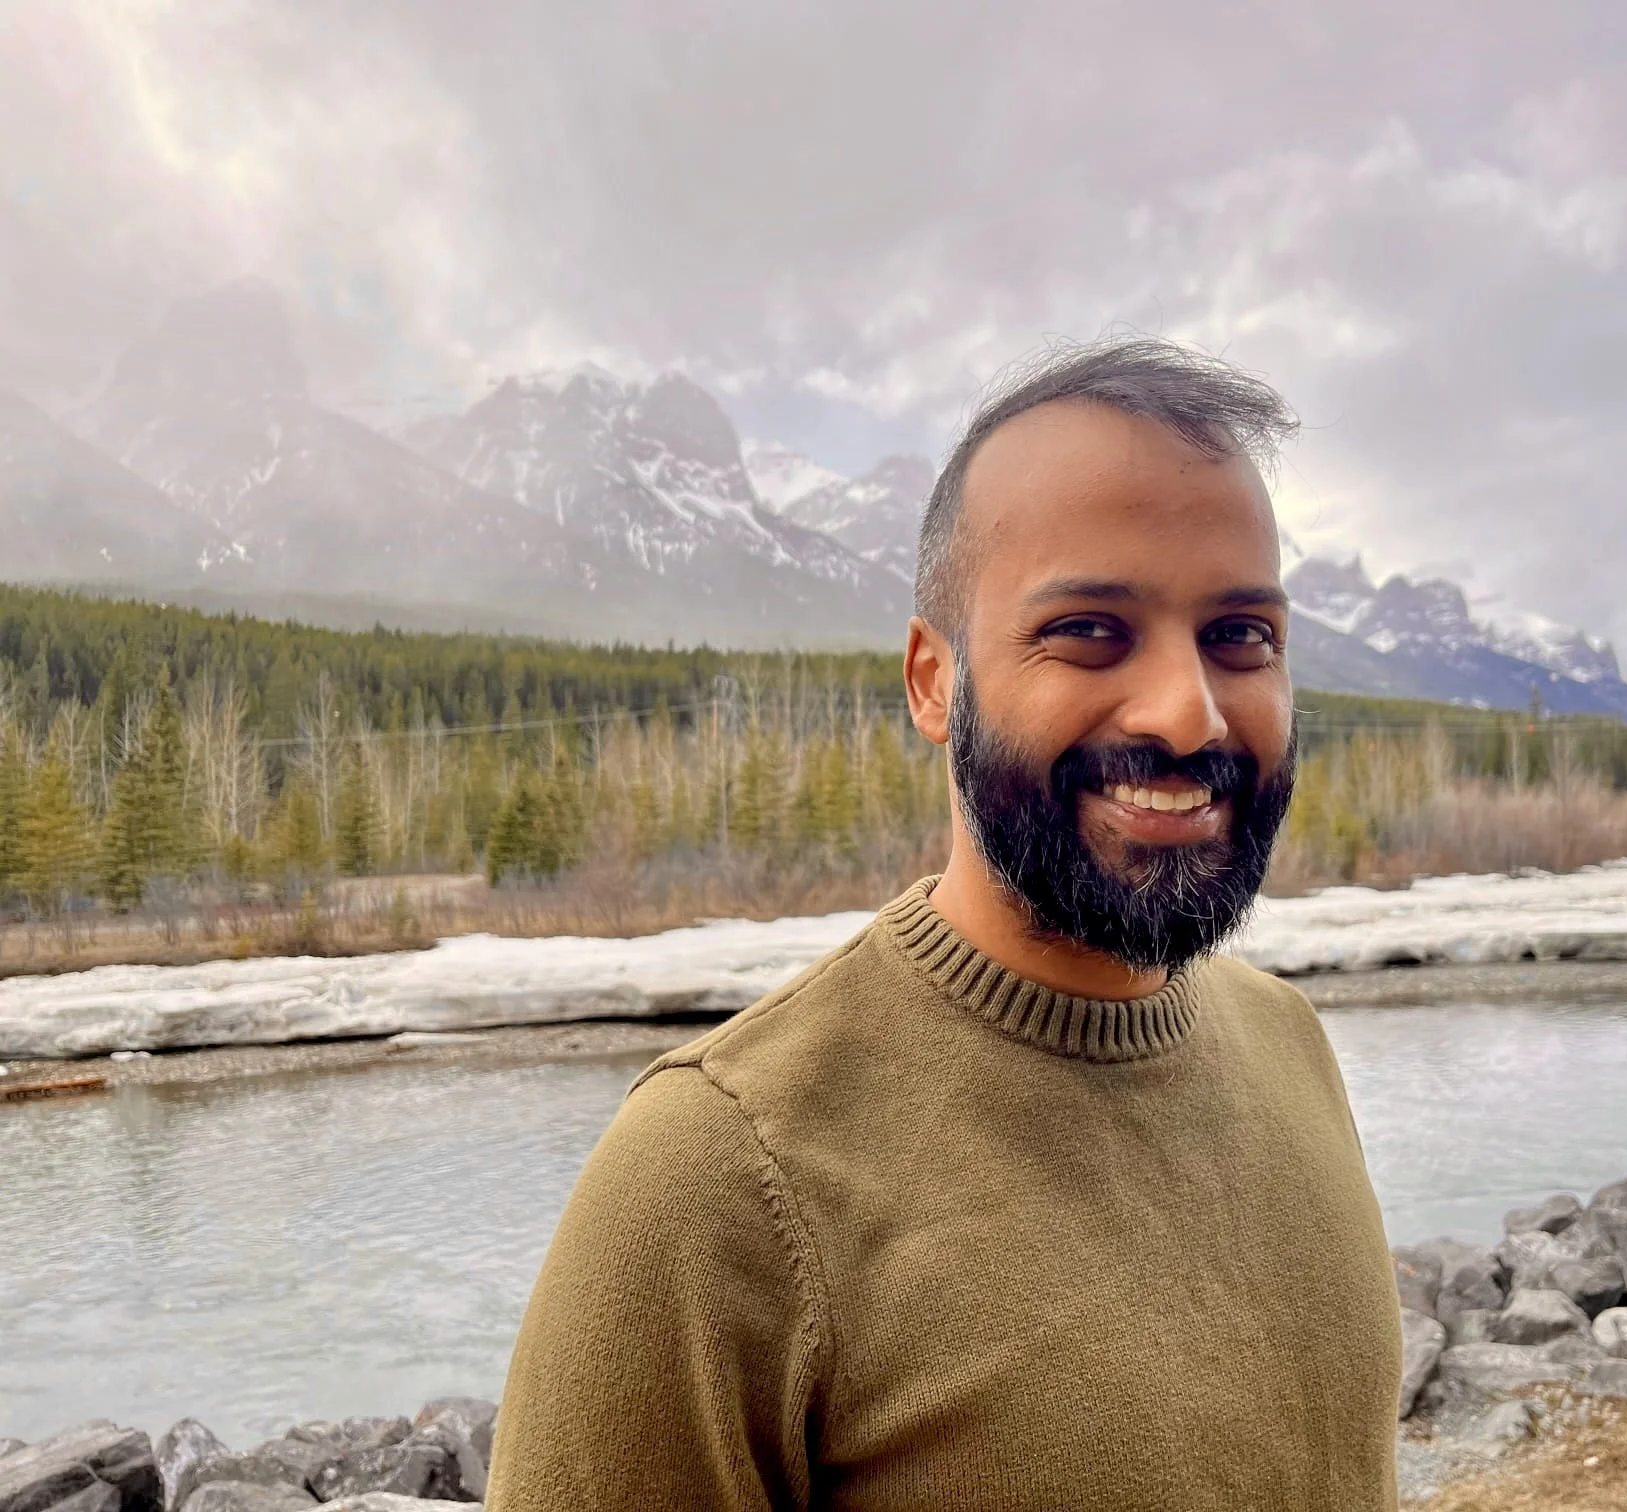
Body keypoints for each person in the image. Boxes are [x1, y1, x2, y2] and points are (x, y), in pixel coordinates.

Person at [485, 337, 1402, 1511]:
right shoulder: (717, 1176)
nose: (1189, 714)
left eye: (1241, 637)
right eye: (1087, 630)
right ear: (933, 680)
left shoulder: (1290, 1043)